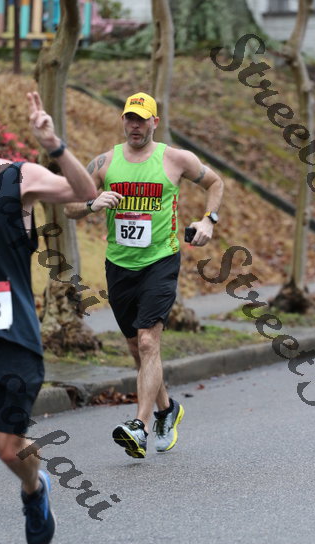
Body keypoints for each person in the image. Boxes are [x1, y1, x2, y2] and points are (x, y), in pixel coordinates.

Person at [0, 87, 97, 544]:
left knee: (9, 449)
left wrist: (54, 145)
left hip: (11, 335)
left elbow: (84, 193)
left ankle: (34, 488)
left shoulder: (18, 177)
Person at [65, 91, 224, 459]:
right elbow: (69, 205)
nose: (135, 126)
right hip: (119, 265)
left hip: (160, 261)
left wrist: (208, 221)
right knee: (137, 349)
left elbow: (215, 182)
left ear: (155, 122)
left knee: (149, 342)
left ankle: (139, 426)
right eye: (130, 118)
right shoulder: (104, 162)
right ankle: (168, 409)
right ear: (123, 121)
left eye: (142, 119)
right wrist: (91, 203)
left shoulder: (176, 159)